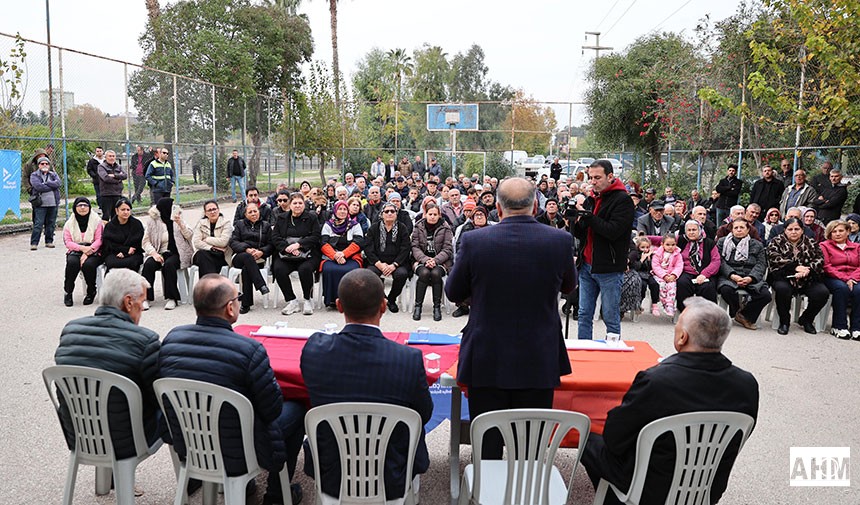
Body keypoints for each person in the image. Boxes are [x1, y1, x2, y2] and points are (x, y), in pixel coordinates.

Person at [581, 297, 759, 505]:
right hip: (707, 488)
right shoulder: (747, 384)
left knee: (591, 441)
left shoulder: (656, 381)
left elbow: (614, 438)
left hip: (650, 490)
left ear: (682, 337)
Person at [446, 177, 575, 459]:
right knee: (530, 445)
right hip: (538, 353)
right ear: (536, 206)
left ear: (499, 210)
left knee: (488, 442)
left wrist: (479, 294)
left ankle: (486, 494)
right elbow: (568, 287)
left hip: (487, 352)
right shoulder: (559, 241)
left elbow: (453, 291)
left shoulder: (474, 241)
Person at [159, 274, 305, 505]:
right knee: (296, 409)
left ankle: (245, 486)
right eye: (238, 298)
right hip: (239, 447)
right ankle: (277, 496)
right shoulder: (249, 349)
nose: (239, 302)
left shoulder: (171, 339)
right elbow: (272, 409)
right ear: (229, 308)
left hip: (190, 440)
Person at [301, 269, 432, 500]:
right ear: (383, 306)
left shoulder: (314, 350)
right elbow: (424, 414)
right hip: (391, 475)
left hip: (331, 473)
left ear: (339, 306)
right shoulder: (408, 359)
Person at [55, 268, 166, 462]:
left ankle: (108, 478)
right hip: (125, 441)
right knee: (175, 409)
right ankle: (190, 477)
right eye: (142, 302)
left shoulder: (70, 330)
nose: (142, 308)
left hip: (79, 435)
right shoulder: (145, 341)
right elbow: (158, 398)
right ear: (129, 302)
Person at [573, 160, 635, 339]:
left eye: (597, 177)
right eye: (590, 177)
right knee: (584, 314)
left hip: (609, 267)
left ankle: (613, 354)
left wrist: (588, 217)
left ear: (610, 176)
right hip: (587, 265)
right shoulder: (591, 198)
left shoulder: (623, 200)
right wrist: (574, 221)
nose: (593, 181)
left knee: (610, 316)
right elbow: (582, 232)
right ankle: (584, 350)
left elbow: (612, 231)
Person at [766, 217, 828, 335]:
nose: (793, 232)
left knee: (822, 293)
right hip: (784, 276)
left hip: (807, 277)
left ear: (802, 230)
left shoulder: (810, 242)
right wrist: (795, 267)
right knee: (783, 289)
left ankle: (807, 319)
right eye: (790, 229)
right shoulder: (776, 241)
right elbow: (774, 258)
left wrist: (807, 270)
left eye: (797, 229)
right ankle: (784, 321)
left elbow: (819, 259)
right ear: (785, 230)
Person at [271, 192, 321, 316]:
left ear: (304, 204)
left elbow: (315, 236)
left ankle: (307, 299)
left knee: (305, 269)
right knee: (278, 269)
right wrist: (288, 248)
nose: (297, 205)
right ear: (290, 205)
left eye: (300, 203)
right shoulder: (282, 218)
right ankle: (292, 301)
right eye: (295, 203)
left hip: (307, 254)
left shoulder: (312, 217)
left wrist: (299, 245)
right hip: (286, 254)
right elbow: (275, 237)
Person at [716, 219, 771, 330]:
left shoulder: (757, 244)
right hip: (730, 277)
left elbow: (761, 264)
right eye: (736, 228)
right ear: (731, 229)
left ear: (748, 229)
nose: (739, 230)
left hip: (750, 276)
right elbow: (720, 261)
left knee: (765, 295)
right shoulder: (722, 242)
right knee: (726, 290)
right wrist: (732, 275)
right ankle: (738, 312)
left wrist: (751, 277)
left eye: (742, 227)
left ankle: (744, 315)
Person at [142, 197, 193, 311]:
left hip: (178, 252)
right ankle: (145, 298)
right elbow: (145, 242)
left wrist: (180, 224)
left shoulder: (178, 219)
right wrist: (154, 253)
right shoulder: (152, 221)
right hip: (159, 252)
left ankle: (172, 298)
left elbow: (189, 235)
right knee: (148, 265)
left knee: (169, 265)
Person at [364, 202, 411, 313]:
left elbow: (405, 249)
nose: (389, 213)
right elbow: (368, 248)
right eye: (386, 211)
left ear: (396, 214)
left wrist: (394, 265)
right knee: (370, 274)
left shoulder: (402, 228)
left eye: (392, 211)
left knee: (401, 274)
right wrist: (379, 264)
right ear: (382, 214)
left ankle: (391, 298)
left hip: (397, 262)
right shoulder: (374, 228)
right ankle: (382, 297)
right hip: (377, 261)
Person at [410, 203, 453, 321]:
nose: (433, 217)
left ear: (439, 215)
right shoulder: (418, 227)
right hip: (421, 260)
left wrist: (435, 260)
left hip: (440, 261)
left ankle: (437, 307)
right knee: (424, 273)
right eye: (430, 214)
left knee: (435, 274)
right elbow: (415, 247)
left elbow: (448, 249)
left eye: (435, 214)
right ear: (425, 215)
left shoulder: (445, 227)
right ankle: (418, 306)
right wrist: (425, 260)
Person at [229, 202, 273, 314]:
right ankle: (261, 284)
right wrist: (247, 249)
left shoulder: (266, 226)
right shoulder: (239, 225)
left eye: (255, 211)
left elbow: (271, 244)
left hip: (258, 258)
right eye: (250, 212)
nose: (253, 214)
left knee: (246, 269)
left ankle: (246, 304)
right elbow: (233, 242)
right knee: (248, 258)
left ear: (259, 212)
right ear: (245, 214)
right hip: (240, 256)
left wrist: (261, 252)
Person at [820, 220, 860, 340]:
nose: (838, 234)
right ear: (830, 234)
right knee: (841, 288)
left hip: (854, 277)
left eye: (841, 231)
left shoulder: (857, 247)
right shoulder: (824, 246)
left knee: (859, 290)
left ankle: (856, 327)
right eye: (834, 231)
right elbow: (827, 266)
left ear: (848, 231)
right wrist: (846, 278)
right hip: (833, 277)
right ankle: (839, 326)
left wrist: (852, 278)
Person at [320, 200, 364, 308]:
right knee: (329, 269)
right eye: (340, 209)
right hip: (331, 257)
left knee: (351, 271)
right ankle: (332, 300)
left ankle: (351, 300)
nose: (342, 211)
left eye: (345, 209)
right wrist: (335, 255)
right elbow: (323, 243)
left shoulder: (355, 225)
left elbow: (358, 243)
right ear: (335, 210)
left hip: (351, 257)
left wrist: (343, 254)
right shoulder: (328, 225)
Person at [62, 197, 104, 306]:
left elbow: (99, 240)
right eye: (79, 205)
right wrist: (82, 249)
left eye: (85, 205)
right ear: (75, 208)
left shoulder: (96, 221)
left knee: (88, 265)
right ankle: (68, 292)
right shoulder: (69, 223)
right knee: (72, 263)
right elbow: (68, 242)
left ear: (89, 207)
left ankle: (91, 292)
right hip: (76, 249)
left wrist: (87, 252)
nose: (82, 208)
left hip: (94, 250)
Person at [675, 220, 720, 312]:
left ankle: (707, 314)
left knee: (707, 287)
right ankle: (685, 312)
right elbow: (662, 240)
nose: (691, 232)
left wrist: (704, 274)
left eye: (694, 230)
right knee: (682, 283)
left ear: (700, 230)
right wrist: (643, 238)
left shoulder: (709, 243)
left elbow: (716, 261)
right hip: (685, 271)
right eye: (689, 230)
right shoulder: (680, 240)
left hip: (705, 272)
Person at [101, 198, 144, 273]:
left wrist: (126, 252)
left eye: (128, 210)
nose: (126, 212)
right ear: (117, 210)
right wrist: (122, 250)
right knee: (112, 264)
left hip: (133, 253)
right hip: (114, 253)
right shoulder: (110, 226)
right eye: (123, 209)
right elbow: (108, 243)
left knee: (131, 263)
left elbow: (138, 242)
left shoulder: (136, 224)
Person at [191, 200, 233, 276]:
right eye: (209, 210)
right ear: (205, 213)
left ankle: (206, 285)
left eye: (214, 209)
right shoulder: (201, 223)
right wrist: (211, 248)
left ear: (218, 210)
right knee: (202, 254)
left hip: (220, 255)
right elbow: (196, 242)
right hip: (204, 253)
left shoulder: (226, 223)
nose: (212, 212)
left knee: (205, 260)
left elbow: (223, 242)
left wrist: (207, 239)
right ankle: (212, 285)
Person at [29, 156, 61, 250]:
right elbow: (38, 187)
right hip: (40, 204)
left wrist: (46, 183)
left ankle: (49, 241)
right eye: (42, 163)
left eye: (46, 163)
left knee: (51, 223)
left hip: (53, 203)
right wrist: (52, 185)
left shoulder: (53, 174)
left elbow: (58, 183)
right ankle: (34, 243)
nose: (44, 165)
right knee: (38, 224)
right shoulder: (34, 175)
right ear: (39, 165)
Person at [650, 234, 682, 317]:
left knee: (672, 286)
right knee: (662, 286)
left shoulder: (678, 254)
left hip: (671, 275)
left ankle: (670, 304)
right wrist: (664, 275)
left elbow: (679, 266)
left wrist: (674, 275)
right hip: (660, 275)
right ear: (662, 244)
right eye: (668, 244)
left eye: (673, 245)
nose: (670, 247)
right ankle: (664, 303)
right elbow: (655, 266)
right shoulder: (657, 253)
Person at [629, 236, 658, 313]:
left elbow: (653, 267)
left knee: (654, 284)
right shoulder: (636, 255)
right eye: (642, 247)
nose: (645, 249)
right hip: (638, 274)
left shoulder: (651, 255)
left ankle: (655, 303)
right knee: (642, 285)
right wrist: (641, 260)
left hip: (648, 274)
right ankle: (638, 304)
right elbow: (635, 267)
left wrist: (649, 260)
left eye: (647, 247)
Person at [97, 150, 128, 222]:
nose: (112, 158)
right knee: (106, 215)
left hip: (117, 194)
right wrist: (118, 179)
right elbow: (105, 178)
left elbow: (125, 175)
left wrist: (114, 175)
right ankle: (104, 231)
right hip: (106, 194)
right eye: (110, 156)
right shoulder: (101, 167)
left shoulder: (118, 166)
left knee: (116, 215)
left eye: (113, 156)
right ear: (106, 157)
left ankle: (115, 231)